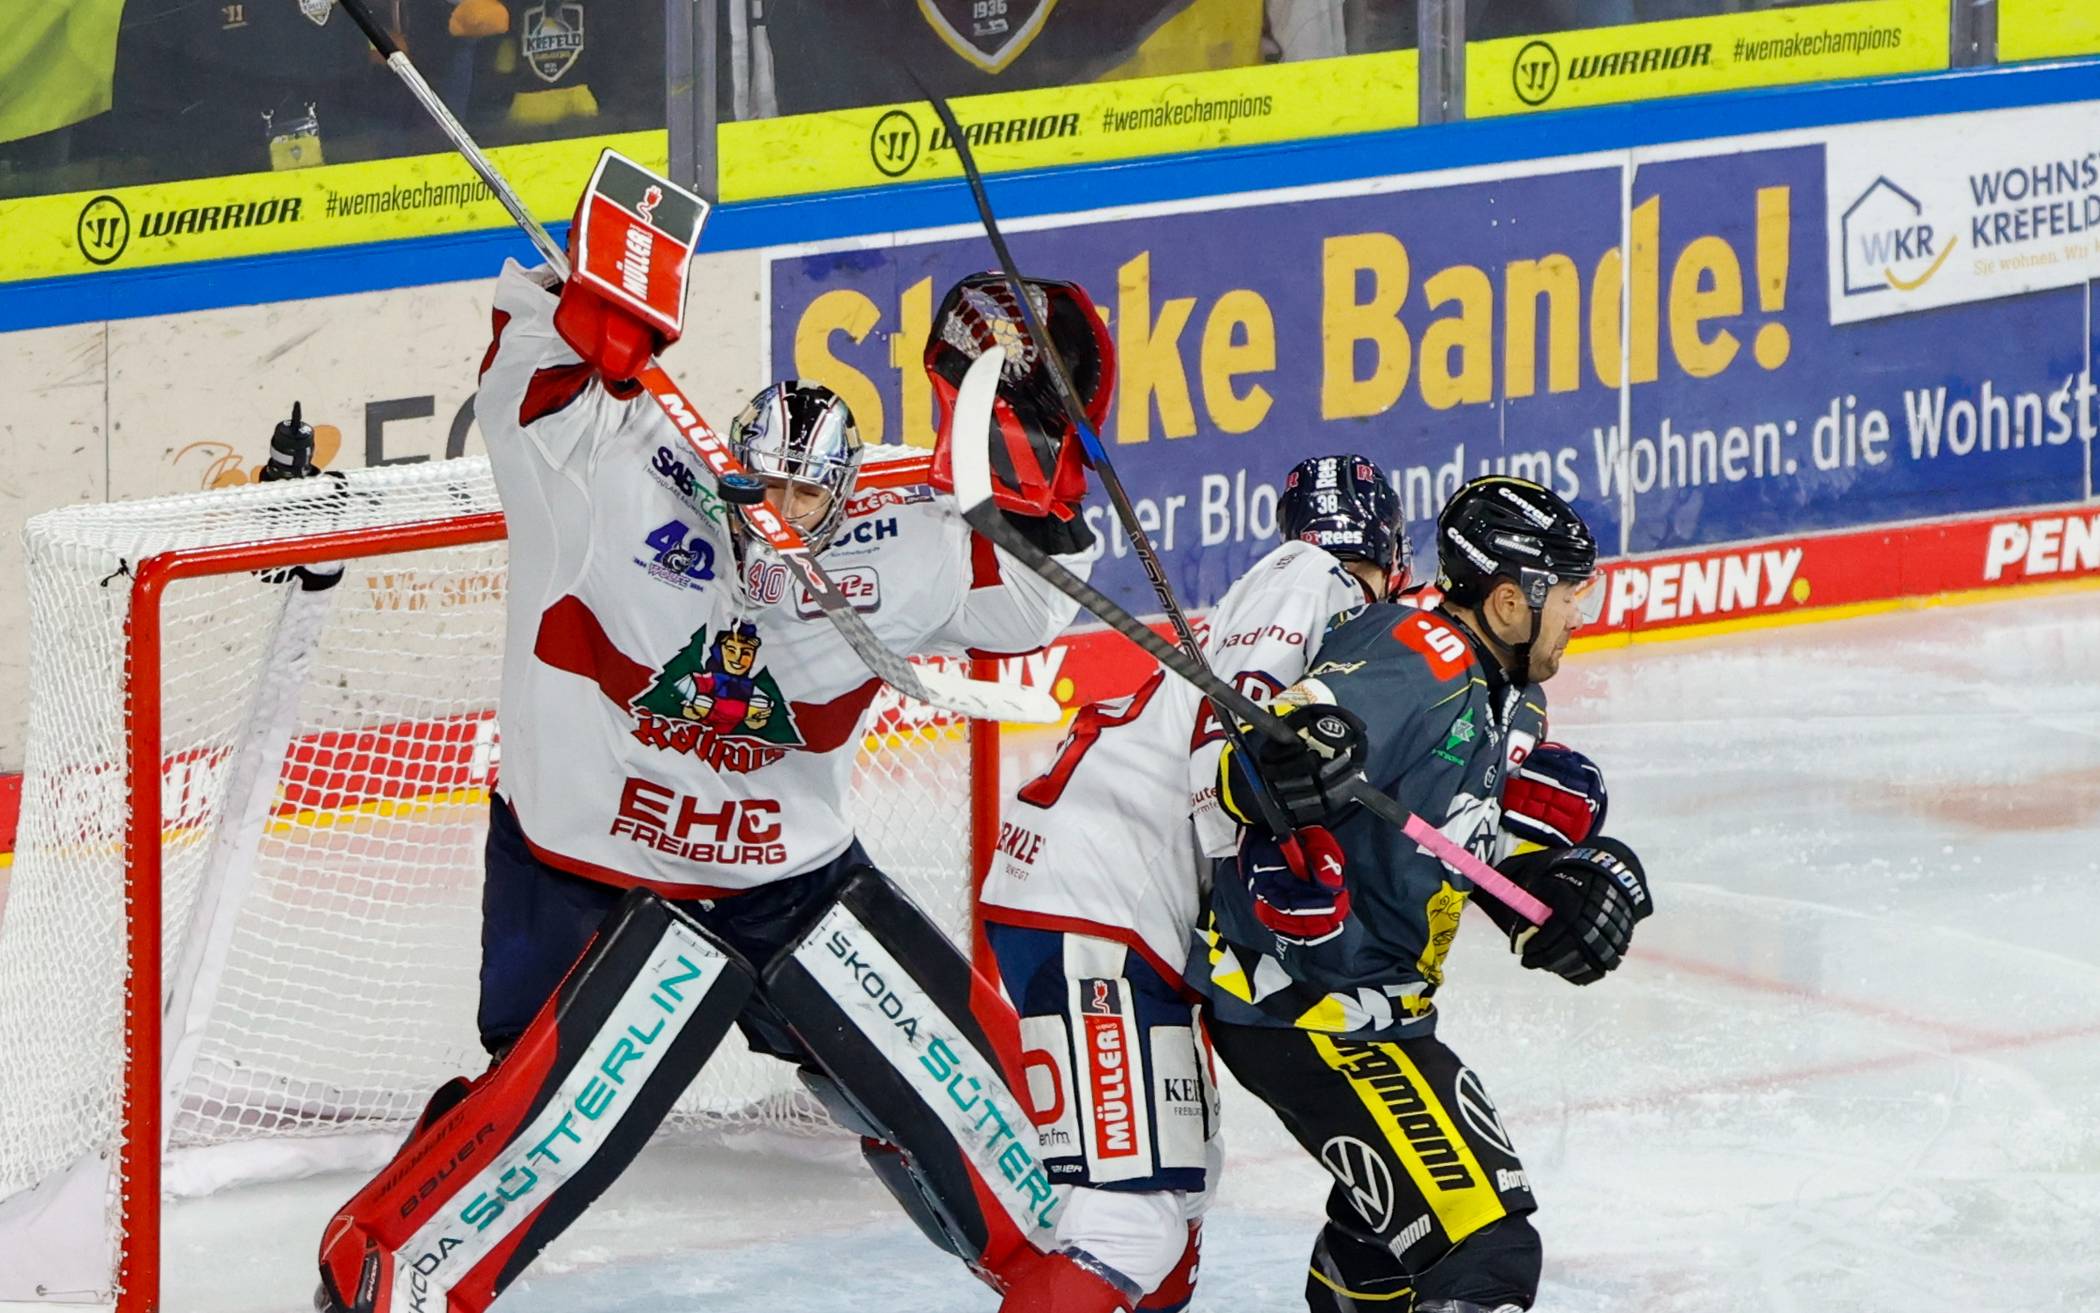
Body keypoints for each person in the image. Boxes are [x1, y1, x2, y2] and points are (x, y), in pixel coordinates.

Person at [313, 201, 1111, 1308]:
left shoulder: (894, 557)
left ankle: (1069, 1268)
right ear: (730, 469)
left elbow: (1030, 599)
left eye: (807, 491)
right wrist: (576, 317)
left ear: (844, 496)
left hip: (787, 885)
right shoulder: (612, 483)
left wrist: (1031, 451)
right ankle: (383, 1274)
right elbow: (523, 392)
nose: (780, 508)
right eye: (763, 482)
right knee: (534, 1112)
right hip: (587, 866)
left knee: (978, 1107)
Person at [1189, 475, 1653, 1313]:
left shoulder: (1515, 700)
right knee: (1489, 1253)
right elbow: (1251, 759)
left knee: (1378, 1244)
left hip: (1380, 1011)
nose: (1580, 614)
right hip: (1308, 1012)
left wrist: (1543, 898)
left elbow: (1459, 840)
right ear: (1509, 602)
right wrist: (1283, 760)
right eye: (1569, 596)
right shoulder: (1418, 654)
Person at [979, 453, 1411, 1313]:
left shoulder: (1326, 611)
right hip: (1102, 900)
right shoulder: (1312, 576)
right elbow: (1235, 738)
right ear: (1394, 550)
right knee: (1129, 1227)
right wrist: (1263, 842)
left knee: (1173, 1208)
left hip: (1113, 906)